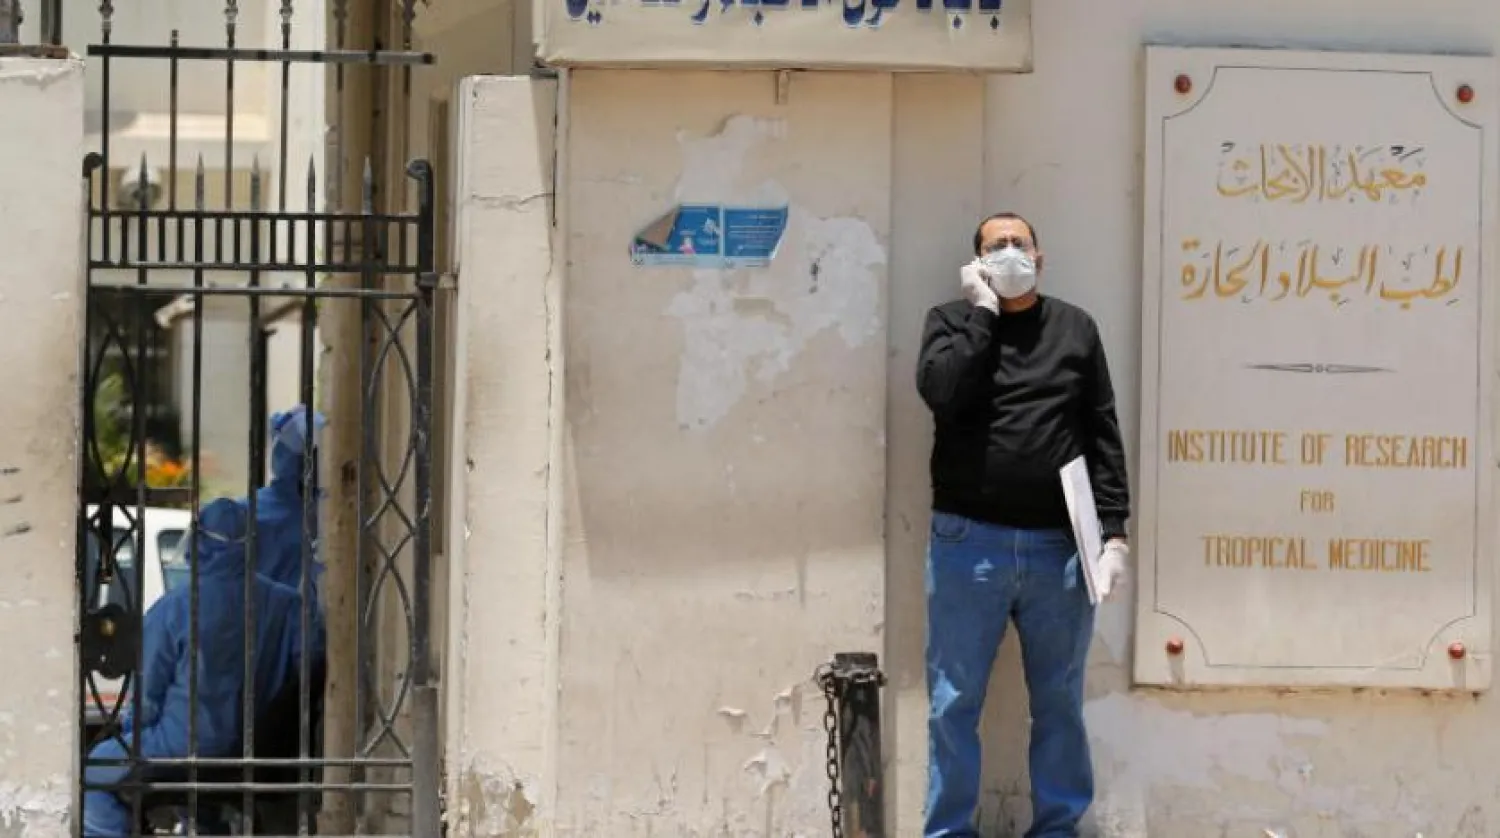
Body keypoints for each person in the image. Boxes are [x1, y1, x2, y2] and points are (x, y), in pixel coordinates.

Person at [915, 212, 1130, 838]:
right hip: (966, 544)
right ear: (976, 261)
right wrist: (982, 314)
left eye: (1019, 243)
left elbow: (1102, 433)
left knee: (1059, 704)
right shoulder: (950, 324)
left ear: (1041, 256)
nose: (1010, 252)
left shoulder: (1075, 328)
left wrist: (1113, 532)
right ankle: (951, 831)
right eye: (995, 245)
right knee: (954, 704)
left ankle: (1058, 829)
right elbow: (941, 393)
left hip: (1058, 550)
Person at [82, 499, 309, 837]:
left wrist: (130, 736)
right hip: (255, 751)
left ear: (198, 540)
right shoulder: (288, 605)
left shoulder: (175, 608)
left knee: (95, 770)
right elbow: (307, 669)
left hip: (180, 746)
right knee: (204, 803)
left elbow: (147, 697)